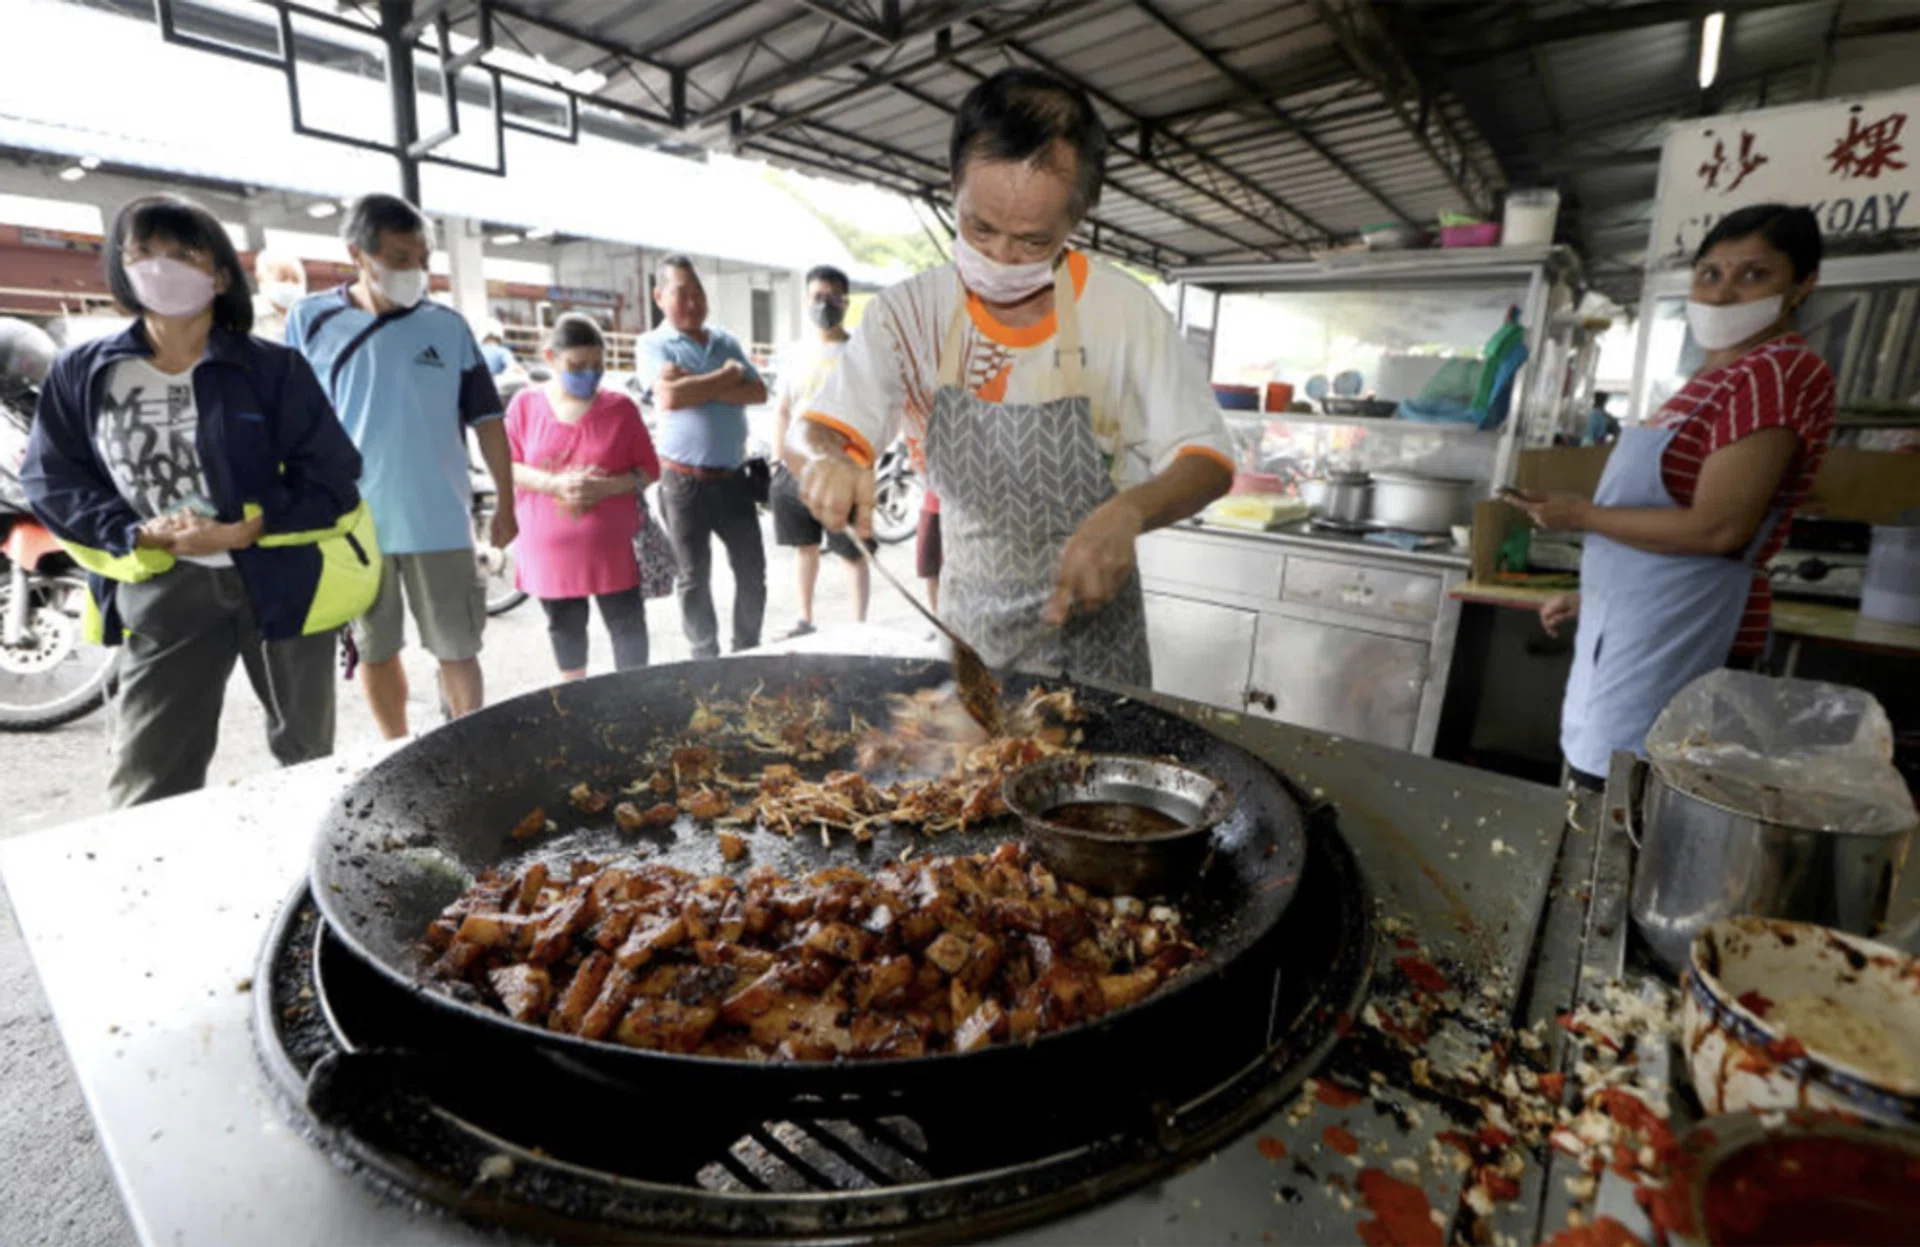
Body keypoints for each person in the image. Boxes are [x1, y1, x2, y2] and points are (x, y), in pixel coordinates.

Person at [791, 68, 1233, 684]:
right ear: (954, 184)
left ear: (1080, 214)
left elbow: (1207, 459)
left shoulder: (1125, 313)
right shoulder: (906, 316)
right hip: (972, 643)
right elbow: (814, 432)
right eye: (979, 227)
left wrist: (1131, 512)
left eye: (1032, 241)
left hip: (1099, 656)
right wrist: (826, 460)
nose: (999, 257)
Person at [20, 194, 372, 807]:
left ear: (220, 275)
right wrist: (134, 533)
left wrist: (247, 529)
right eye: (144, 252)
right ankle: (151, 866)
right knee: (149, 771)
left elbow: (333, 476)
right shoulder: (85, 372)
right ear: (121, 265)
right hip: (163, 584)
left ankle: (308, 863)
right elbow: (52, 478)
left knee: (306, 758)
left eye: (184, 253)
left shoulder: (272, 369)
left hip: (281, 581)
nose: (162, 266)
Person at [1519, 204, 1835, 789]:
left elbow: (1719, 529)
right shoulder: (1712, 380)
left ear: (1802, 284)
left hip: (1686, 631)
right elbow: (1667, 517)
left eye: (1753, 274)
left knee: (1630, 799)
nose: (1722, 294)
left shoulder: (1777, 372)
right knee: (1599, 786)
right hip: (1643, 622)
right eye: (1710, 273)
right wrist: (1602, 598)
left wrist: (1581, 515)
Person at [286, 193, 516, 739]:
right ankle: (395, 749)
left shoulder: (448, 327)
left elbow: (488, 421)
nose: (414, 270)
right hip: (354, 524)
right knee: (375, 648)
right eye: (399, 257)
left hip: (440, 520)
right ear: (357, 254)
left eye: (421, 258)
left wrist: (507, 502)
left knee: (457, 646)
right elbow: (290, 421)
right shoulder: (310, 321)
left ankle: (466, 747)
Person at [506, 313, 659, 679]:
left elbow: (650, 470)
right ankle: (573, 700)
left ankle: (634, 699)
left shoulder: (620, 409)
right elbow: (507, 466)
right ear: (551, 358)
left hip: (613, 550)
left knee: (627, 627)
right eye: (577, 366)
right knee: (565, 628)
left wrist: (606, 487)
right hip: (551, 551)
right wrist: (553, 484)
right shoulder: (525, 406)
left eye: (597, 366)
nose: (589, 374)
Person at [637, 254, 770, 659]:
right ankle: (705, 658)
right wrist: (728, 376)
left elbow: (758, 392)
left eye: (698, 293)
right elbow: (671, 398)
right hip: (683, 483)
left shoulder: (725, 342)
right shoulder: (652, 344)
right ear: (660, 297)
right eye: (682, 293)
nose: (693, 302)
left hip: (733, 479)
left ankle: (746, 650)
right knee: (693, 577)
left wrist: (695, 384)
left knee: (752, 570)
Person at [770, 264, 869, 638]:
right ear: (805, 300)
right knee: (804, 546)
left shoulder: (858, 354)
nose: (824, 305)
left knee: (851, 551)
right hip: (796, 468)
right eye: (817, 297)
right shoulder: (795, 354)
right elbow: (783, 410)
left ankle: (859, 627)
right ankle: (805, 619)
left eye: (833, 297)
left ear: (846, 302)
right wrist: (778, 461)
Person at [250, 247, 307, 343]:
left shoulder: (310, 317)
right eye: (283, 278)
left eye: (296, 280)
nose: (290, 284)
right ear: (260, 277)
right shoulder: (248, 313)